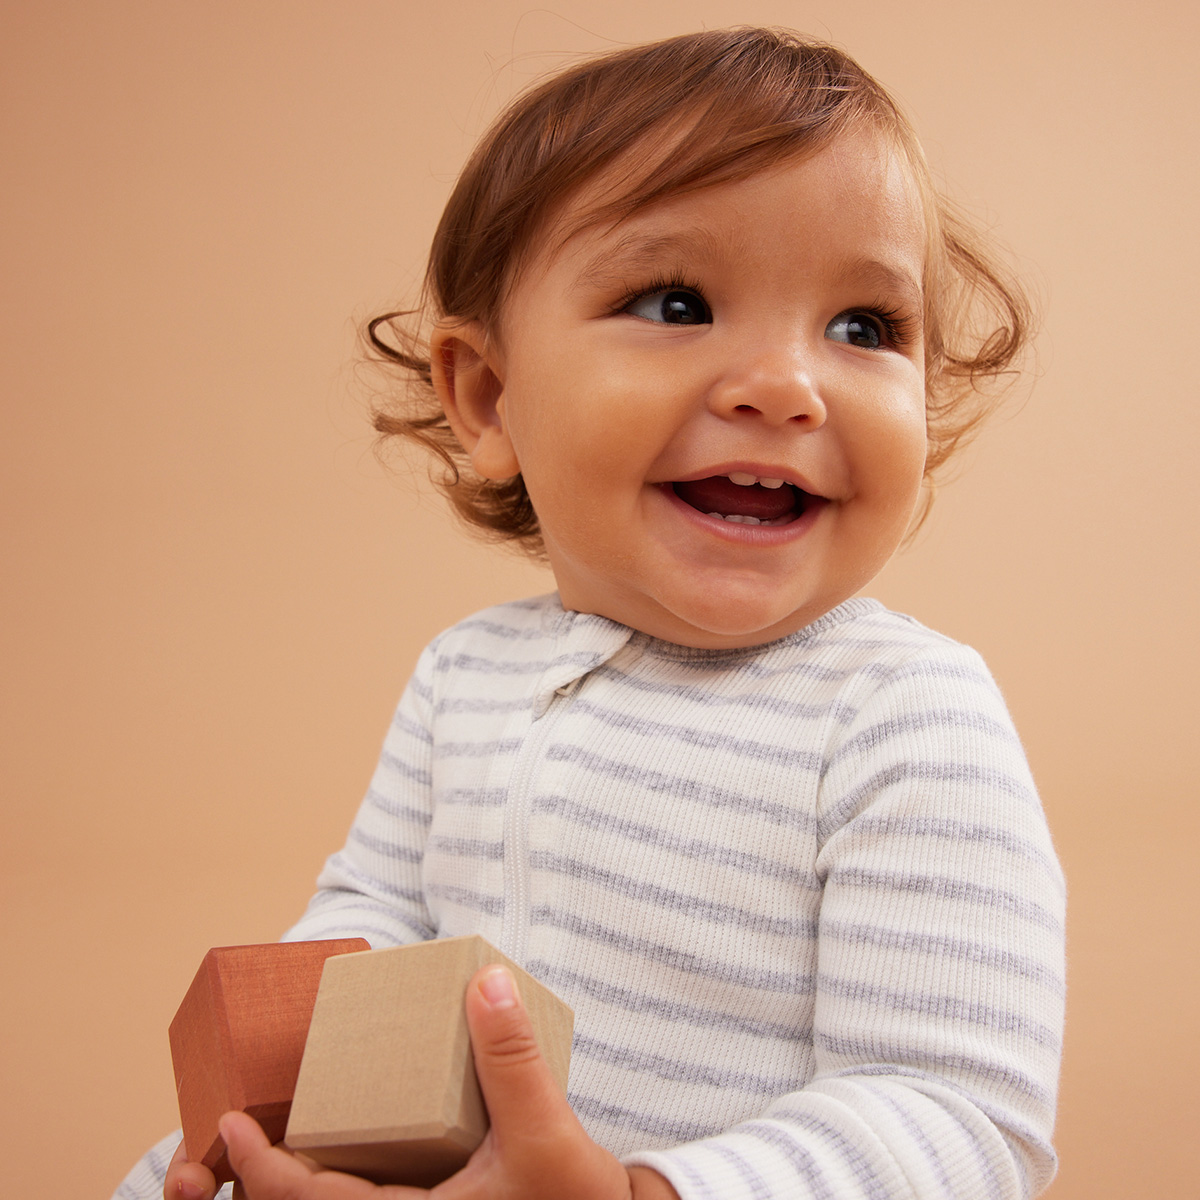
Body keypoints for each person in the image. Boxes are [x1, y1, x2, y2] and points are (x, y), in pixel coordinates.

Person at [115, 27, 1065, 1200]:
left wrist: (643, 1194)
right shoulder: (466, 674)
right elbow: (377, 914)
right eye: (677, 302)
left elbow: (960, 1118)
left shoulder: (902, 715)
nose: (786, 386)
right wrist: (275, 1102)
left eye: (863, 328)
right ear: (489, 397)